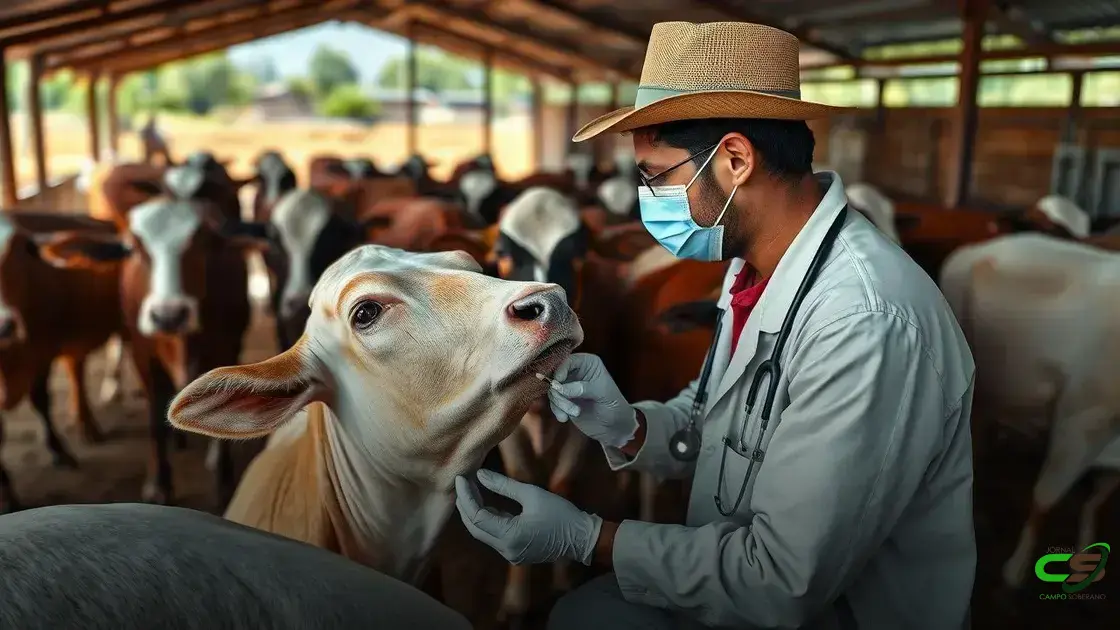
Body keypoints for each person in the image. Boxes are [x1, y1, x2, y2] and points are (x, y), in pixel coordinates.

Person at [453, 20, 976, 630]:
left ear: (734, 160)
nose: (647, 198)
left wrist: (589, 539)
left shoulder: (865, 322)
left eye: (656, 175)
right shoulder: (751, 269)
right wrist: (629, 426)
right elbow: (722, 424)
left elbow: (782, 581)